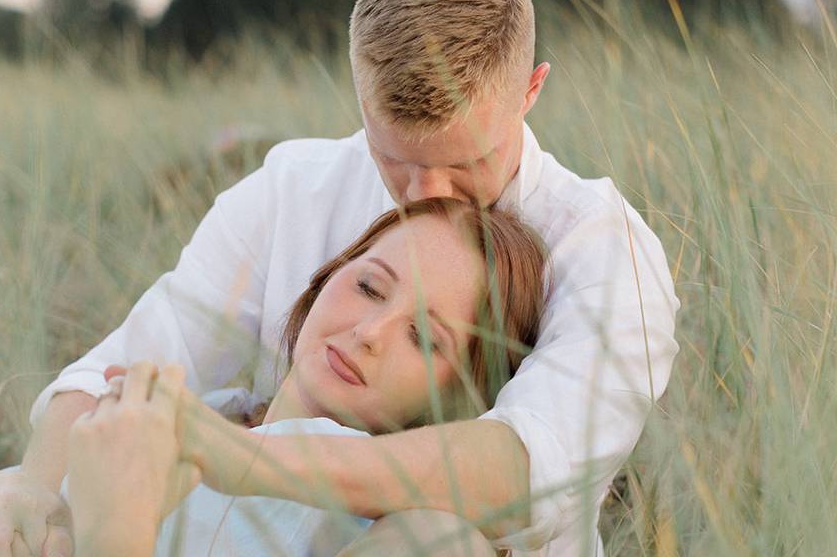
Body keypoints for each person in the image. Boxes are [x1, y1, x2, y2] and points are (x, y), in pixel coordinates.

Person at [0, 0, 679, 556]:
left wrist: (235, 458)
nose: (425, 196)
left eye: (462, 161)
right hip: (239, 508)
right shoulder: (296, 186)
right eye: (396, 158)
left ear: (531, 90)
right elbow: (133, 359)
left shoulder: (603, 248)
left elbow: (526, 468)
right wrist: (34, 486)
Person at [64, 198, 547, 556]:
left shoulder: (424, 537)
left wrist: (117, 528)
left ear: (456, 398)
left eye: (423, 337)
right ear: (327, 276)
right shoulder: (202, 410)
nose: (369, 332)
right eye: (369, 287)